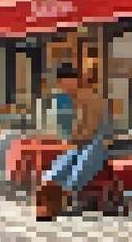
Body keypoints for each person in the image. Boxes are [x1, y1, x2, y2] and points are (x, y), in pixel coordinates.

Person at [35, 64, 110, 221]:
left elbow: (91, 129)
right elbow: (80, 129)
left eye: (65, 83)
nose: (63, 87)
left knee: (84, 152)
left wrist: (74, 140)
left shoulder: (89, 97)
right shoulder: (75, 100)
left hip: (101, 143)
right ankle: (51, 188)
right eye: (61, 84)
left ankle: (64, 196)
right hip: (87, 142)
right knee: (69, 157)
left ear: (73, 81)